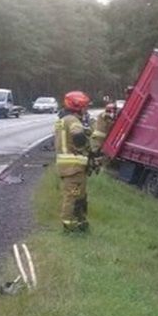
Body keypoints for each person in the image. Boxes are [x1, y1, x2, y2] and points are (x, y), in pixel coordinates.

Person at [55, 91, 92, 232]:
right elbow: (78, 138)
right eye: (85, 106)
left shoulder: (62, 120)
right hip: (73, 166)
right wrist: (86, 144)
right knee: (73, 196)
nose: (86, 109)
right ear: (78, 106)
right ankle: (69, 226)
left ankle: (80, 221)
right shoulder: (73, 121)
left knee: (78, 195)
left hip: (67, 165)